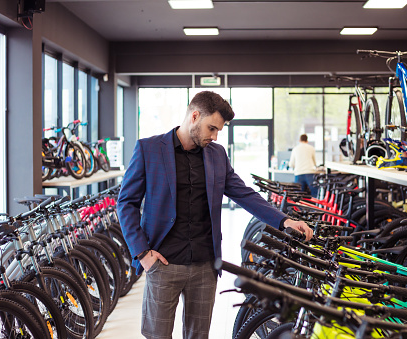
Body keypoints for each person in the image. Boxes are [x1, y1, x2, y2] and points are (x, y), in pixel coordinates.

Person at [117, 91, 313, 339]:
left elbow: (244, 194)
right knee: (157, 335)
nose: (215, 136)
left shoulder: (217, 154)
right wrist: (142, 253)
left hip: (205, 265)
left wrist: (284, 220)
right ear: (194, 116)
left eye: (218, 130)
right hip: (163, 263)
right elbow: (126, 203)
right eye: (211, 128)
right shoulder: (149, 148)